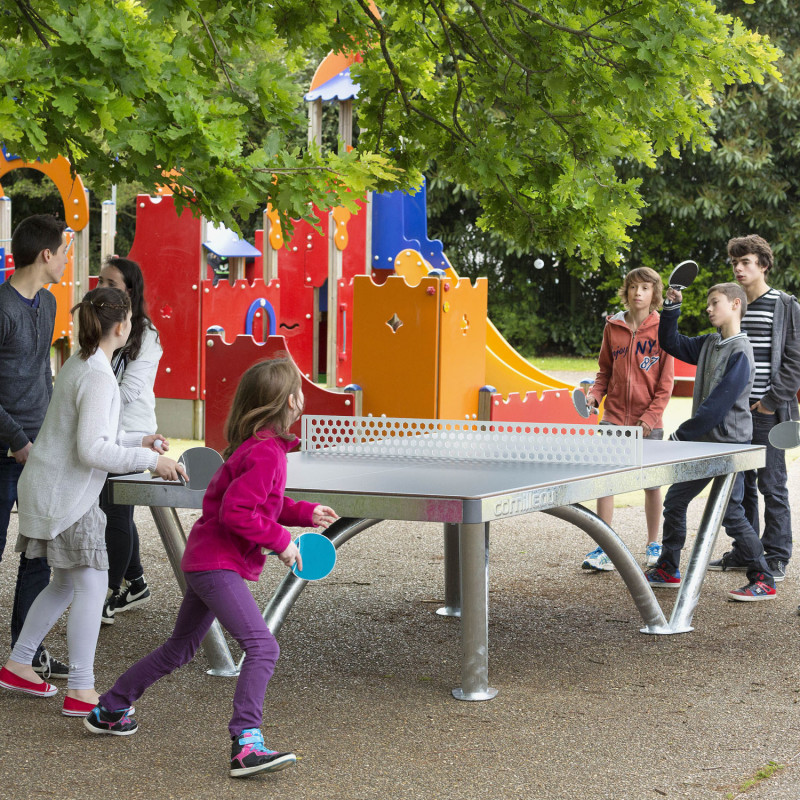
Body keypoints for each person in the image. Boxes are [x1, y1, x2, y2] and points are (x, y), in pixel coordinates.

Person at [83, 356, 339, 780]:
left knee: (180, 648)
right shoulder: (266, 453)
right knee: (263, 647)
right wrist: (282, 544)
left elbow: (262, 504)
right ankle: (246, 743)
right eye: (300, 387)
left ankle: (111, 708)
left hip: (207, 561)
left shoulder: (260, 447)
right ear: (291, 401)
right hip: (216, 565)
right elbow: (238, 514)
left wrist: (304, 513)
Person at [0, 287, 184, 715]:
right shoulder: (98, 375)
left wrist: (140, 441)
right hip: (66, 496)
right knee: (93, 583)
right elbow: (92, 451)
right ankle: (82, 690)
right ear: (121, 326)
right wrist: (151, 462)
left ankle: (19, 663)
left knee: (65, 583)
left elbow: (94, 437)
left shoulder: (82, 363)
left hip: (52, 489)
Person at [645, 282, 776, 601]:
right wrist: (671, 307)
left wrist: (679, 435)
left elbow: (717, 405)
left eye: (713, 302)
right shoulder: (708, 343)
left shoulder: (741, 351)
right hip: (703, 447)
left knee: (731, 515)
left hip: (728, 449)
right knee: (675, 501)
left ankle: (763, 577)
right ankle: (668, 567)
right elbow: (670, 342)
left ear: (734, 304)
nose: (707, 308)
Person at [0, 214, 70, 680]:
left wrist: (48, 436)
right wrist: (18, 440)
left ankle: (25, 654)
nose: (66, 259)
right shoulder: (1, 307)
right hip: (6, 451)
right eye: (64, 251)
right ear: (47, 255)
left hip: (36, 450)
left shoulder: (46, 304)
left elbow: (42, 374)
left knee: (38, 554)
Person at [708, 235, 800, 582]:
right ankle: (748, 553)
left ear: (763, 264)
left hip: (770, 413)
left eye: (745, 262)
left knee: (772, 485)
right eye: (734, 263)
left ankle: (776, 556)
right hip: (737, 414)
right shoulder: (734, 305)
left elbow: (795, 360)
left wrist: (770, 402)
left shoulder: (786, 305)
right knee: (741, 484)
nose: (738, 268)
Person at [581, 267, 674, 572]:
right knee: (606, 481)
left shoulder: (664, 329)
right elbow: (604, 372)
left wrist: (650, 417)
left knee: (651, 484)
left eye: (645, 288)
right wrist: (594, 395)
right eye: (633, 287)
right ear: (626, 291)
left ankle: (653, 543)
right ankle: (605, 546)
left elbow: (666, 383)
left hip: (648, 422)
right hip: (613, 419)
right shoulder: (613, 326)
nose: (638, 293)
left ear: (654, 294)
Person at [96, 257, 163, 625]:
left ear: (130, 291)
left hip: (132, 433)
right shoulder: (99, 324)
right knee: (113, 508)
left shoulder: (146, 336)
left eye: (112, 282)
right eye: (100, 279)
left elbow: (129, 390)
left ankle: (106, 593)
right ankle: (135, 581)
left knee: (116, 512)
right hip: (105, 429)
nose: (102, 286)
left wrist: (90, 401)